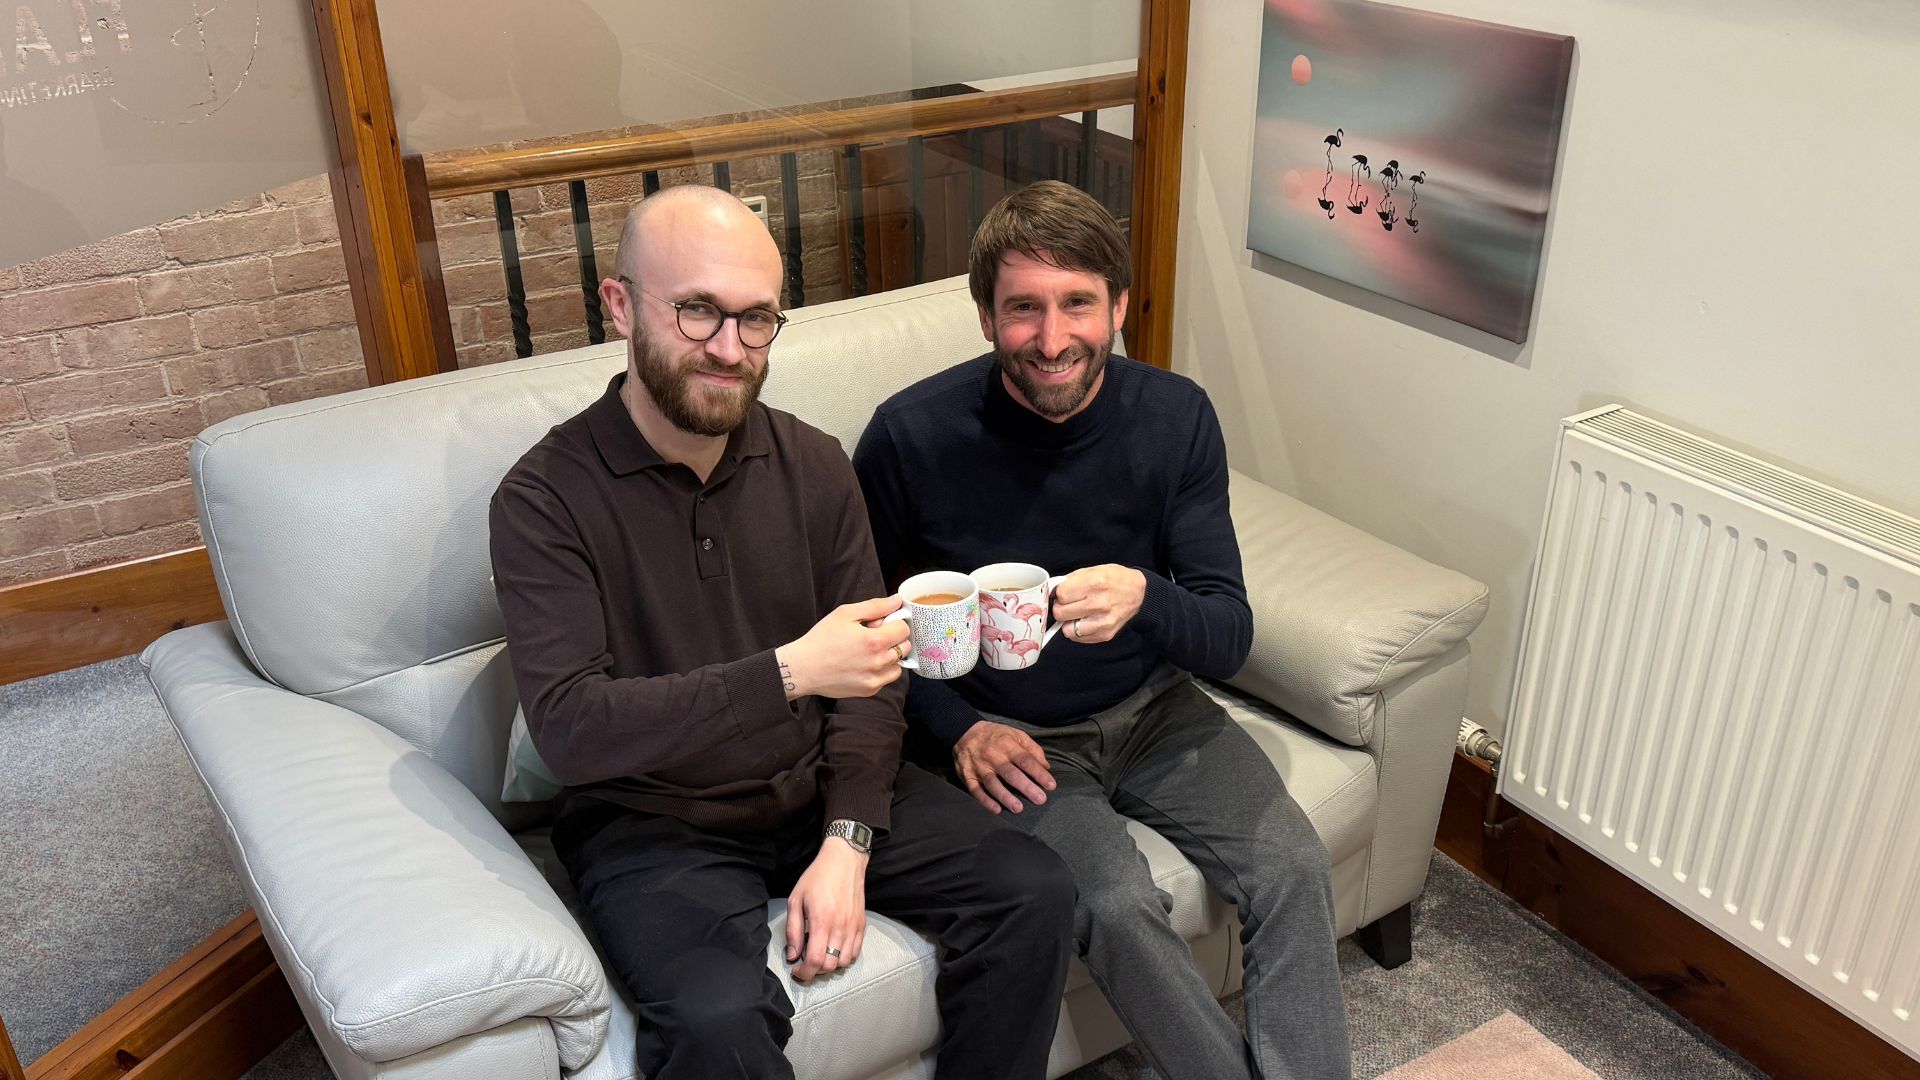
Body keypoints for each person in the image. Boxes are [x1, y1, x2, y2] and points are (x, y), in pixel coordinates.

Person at [489, 184, 1075, 1080]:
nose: (730, 349)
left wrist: (848, 838)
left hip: (811, 786)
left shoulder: (811, 462)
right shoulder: (543, 500)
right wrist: (790, 672)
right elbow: (572, 730)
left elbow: (876, 673)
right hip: (651, 820)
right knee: (718, 1020)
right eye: (697, 313)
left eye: (756, 319)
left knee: (1034, 892)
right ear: (619, 306)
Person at [853, 180, 1352, 1080]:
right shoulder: (907, 437)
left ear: (1118, 306)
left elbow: (1227, 632)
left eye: (1078, 303)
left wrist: (1147, 597)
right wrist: (958, 728)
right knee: (1117, 903)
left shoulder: (1176, 416)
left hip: (1155, 707)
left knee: (1292, 865)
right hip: (1017, 740)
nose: (1053, 340)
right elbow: (867, 636)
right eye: (1023, 310)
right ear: (984, 317)